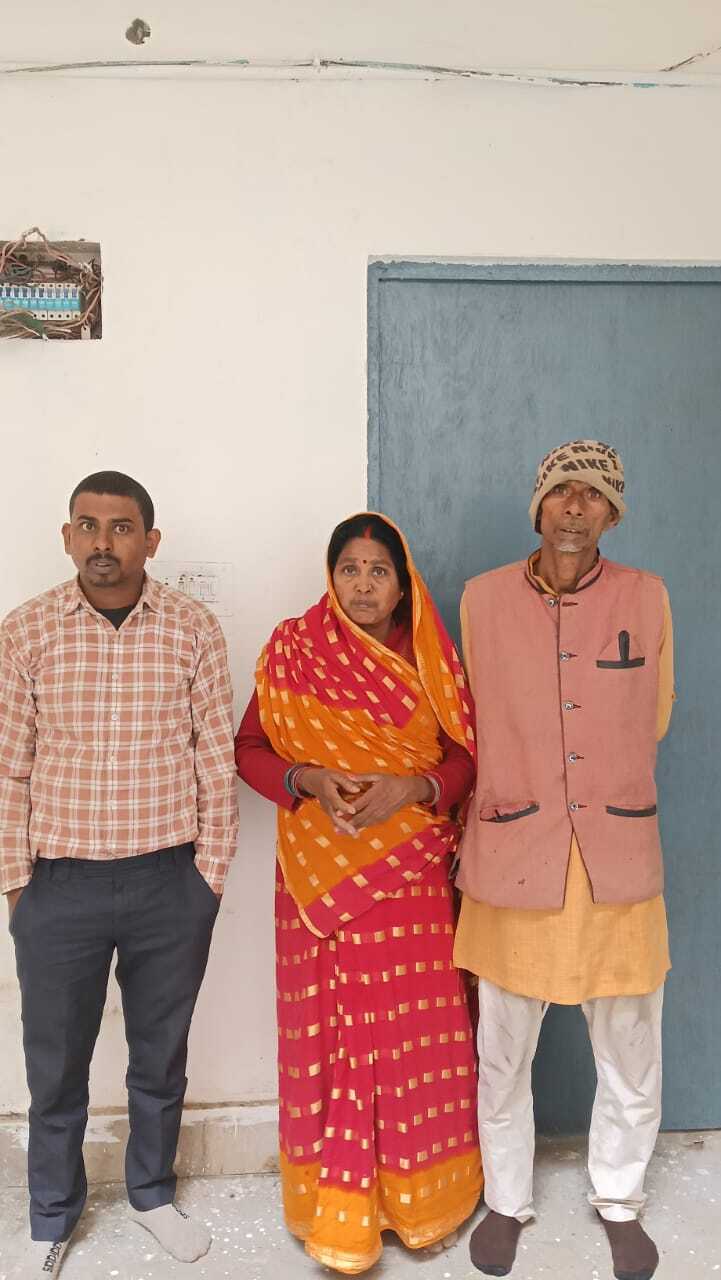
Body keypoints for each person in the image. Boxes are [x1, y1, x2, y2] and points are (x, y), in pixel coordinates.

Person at [0, 471, 239, 1279]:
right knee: (54, 1063)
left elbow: (215, 759)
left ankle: (150, 1194)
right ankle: (51, 1213)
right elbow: (9, 768)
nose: (103, 542)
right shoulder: (26, 630)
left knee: (158, 1056)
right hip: (57, 887)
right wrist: (18, 887)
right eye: (88, 525)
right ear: (67, 536)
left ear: (151, 540)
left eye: (122, 526)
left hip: (168, 882)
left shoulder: (192, 628)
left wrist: (207, 879)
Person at [235, 512, 482, 1274]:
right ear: (331, 575)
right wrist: (306, 779)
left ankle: (424, 1200)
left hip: (411, 875)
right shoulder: (294, 649)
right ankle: (334, 1211)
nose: (364, 584)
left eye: (379, 571)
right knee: (329, 1036)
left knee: (416, 1043)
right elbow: (249, 748)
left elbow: (466, 758)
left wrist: (415, 787)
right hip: (317, 873)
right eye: (350, 569)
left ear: (402, 585)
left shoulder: (430, 656)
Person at [454, 441, 674, 1280]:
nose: (573, 508)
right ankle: (506, 1199)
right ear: (537, 505)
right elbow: (468, 710)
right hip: (514, 849)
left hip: (616, 852)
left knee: (629, 1043)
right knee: (502, 1047)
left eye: (592, 495)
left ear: (612, 513)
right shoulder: (481, 600)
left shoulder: (646, 596)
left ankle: (618, 1198)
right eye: (559, 492)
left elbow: (656, 710)